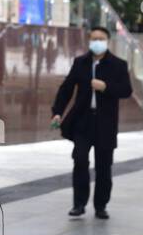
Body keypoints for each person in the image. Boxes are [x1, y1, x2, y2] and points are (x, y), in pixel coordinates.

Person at [51, 25, 133, 219]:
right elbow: (66, 88)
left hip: (105, 123)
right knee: (79, 160)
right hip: (83, 121)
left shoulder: (118, 64)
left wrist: (106, 86)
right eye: (93, 38)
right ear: (89, 40)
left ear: (107, 41)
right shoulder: (81, 63)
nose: (97, 42)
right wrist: (57, 112)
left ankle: (100, 205)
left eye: (101, 39)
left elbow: (126, 90)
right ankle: (79, 204)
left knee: (104, 166)